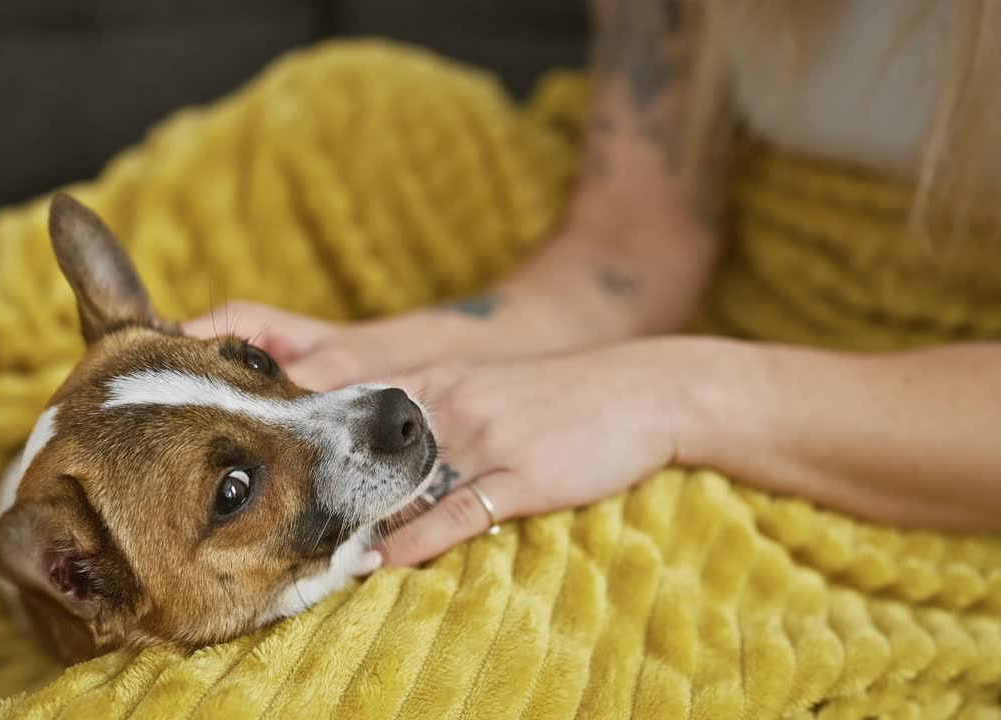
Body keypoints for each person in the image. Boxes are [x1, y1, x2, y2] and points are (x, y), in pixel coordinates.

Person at [184, 0, 1001, 566]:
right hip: (735, 266)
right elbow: (630, 248)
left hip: (936, 435)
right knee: (322, 120)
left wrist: (670, 394)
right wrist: (393, 352)